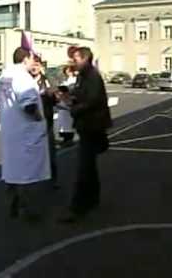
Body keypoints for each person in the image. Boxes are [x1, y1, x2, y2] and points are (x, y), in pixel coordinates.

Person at [0, 47, 50, 222]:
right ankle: (28, 210)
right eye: (32, 59)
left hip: (10, 130)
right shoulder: (23, 78)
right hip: (26, 131)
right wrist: (40, 119)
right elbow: (29, 105)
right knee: (28, 172)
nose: (33, 62)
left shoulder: (3, 77)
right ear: (26, 59)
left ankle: (13, 204)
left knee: (13, 170)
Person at [59, 47, 112, 223]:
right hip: (87, 126)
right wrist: (69, 96)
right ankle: (92, 200)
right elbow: (82, 94)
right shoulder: (83, 75)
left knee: (84, 168)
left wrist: (73, 108)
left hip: (92, 126)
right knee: (89, 166)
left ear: (84, 58)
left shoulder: (92, 75)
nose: (73, 62)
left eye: (75, 59)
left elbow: (93, 100)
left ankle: (77, 208)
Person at [30, 55, 59, 189]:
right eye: (33, 64)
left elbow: (56, 99)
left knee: (49, 152)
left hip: (46, 121)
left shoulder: (47, 80)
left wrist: (52, 94)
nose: (34, 67)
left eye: (37, 65)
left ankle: (53, 179)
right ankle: (32, 178)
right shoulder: (25, 80)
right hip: (30, 122)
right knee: (31, 153)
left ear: (41, 66)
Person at [56, 65, 77, 146]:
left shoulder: (75, 80)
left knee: (68, 123)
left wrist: (67, 93)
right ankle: (65, 138)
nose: (68, 73)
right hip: (62, 103)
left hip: (69, 103)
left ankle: (69, 139)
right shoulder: (66, 80)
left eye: (69, 71)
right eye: (66, 71)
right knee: (62, 123)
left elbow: (73, 90)